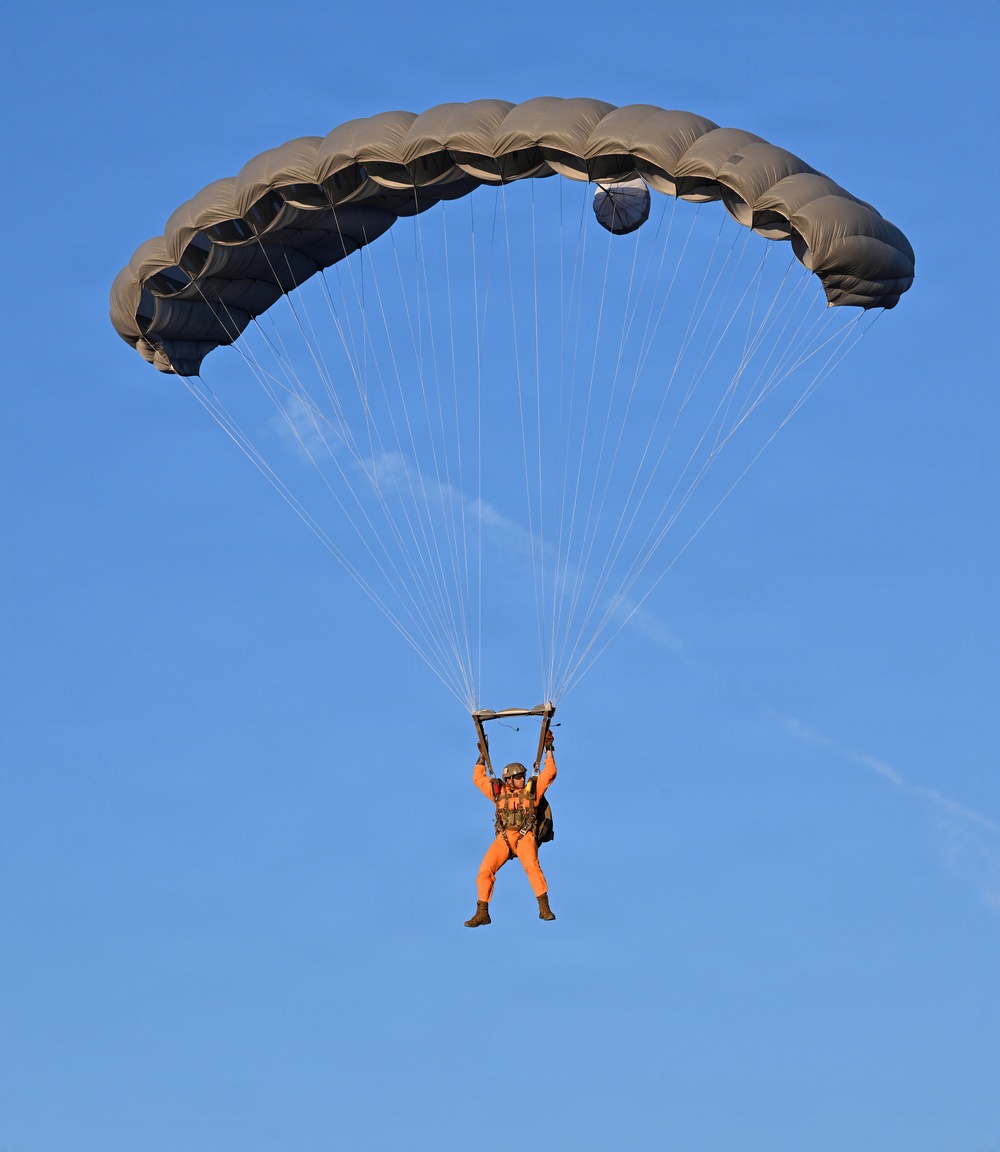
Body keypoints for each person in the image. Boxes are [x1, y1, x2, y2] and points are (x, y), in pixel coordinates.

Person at [464, 729, 557, 927]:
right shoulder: (498, 793)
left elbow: (550, 773)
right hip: (504, 839)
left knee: (532, 867)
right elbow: (478, 778)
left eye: (523, 776)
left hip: (526, 837)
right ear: (509, 780)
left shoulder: (532, 792)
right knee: (484, 870)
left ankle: (544, 907)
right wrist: (482, 756)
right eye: (518, 777)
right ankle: (482, 912)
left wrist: (548, 748)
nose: (522, 780)